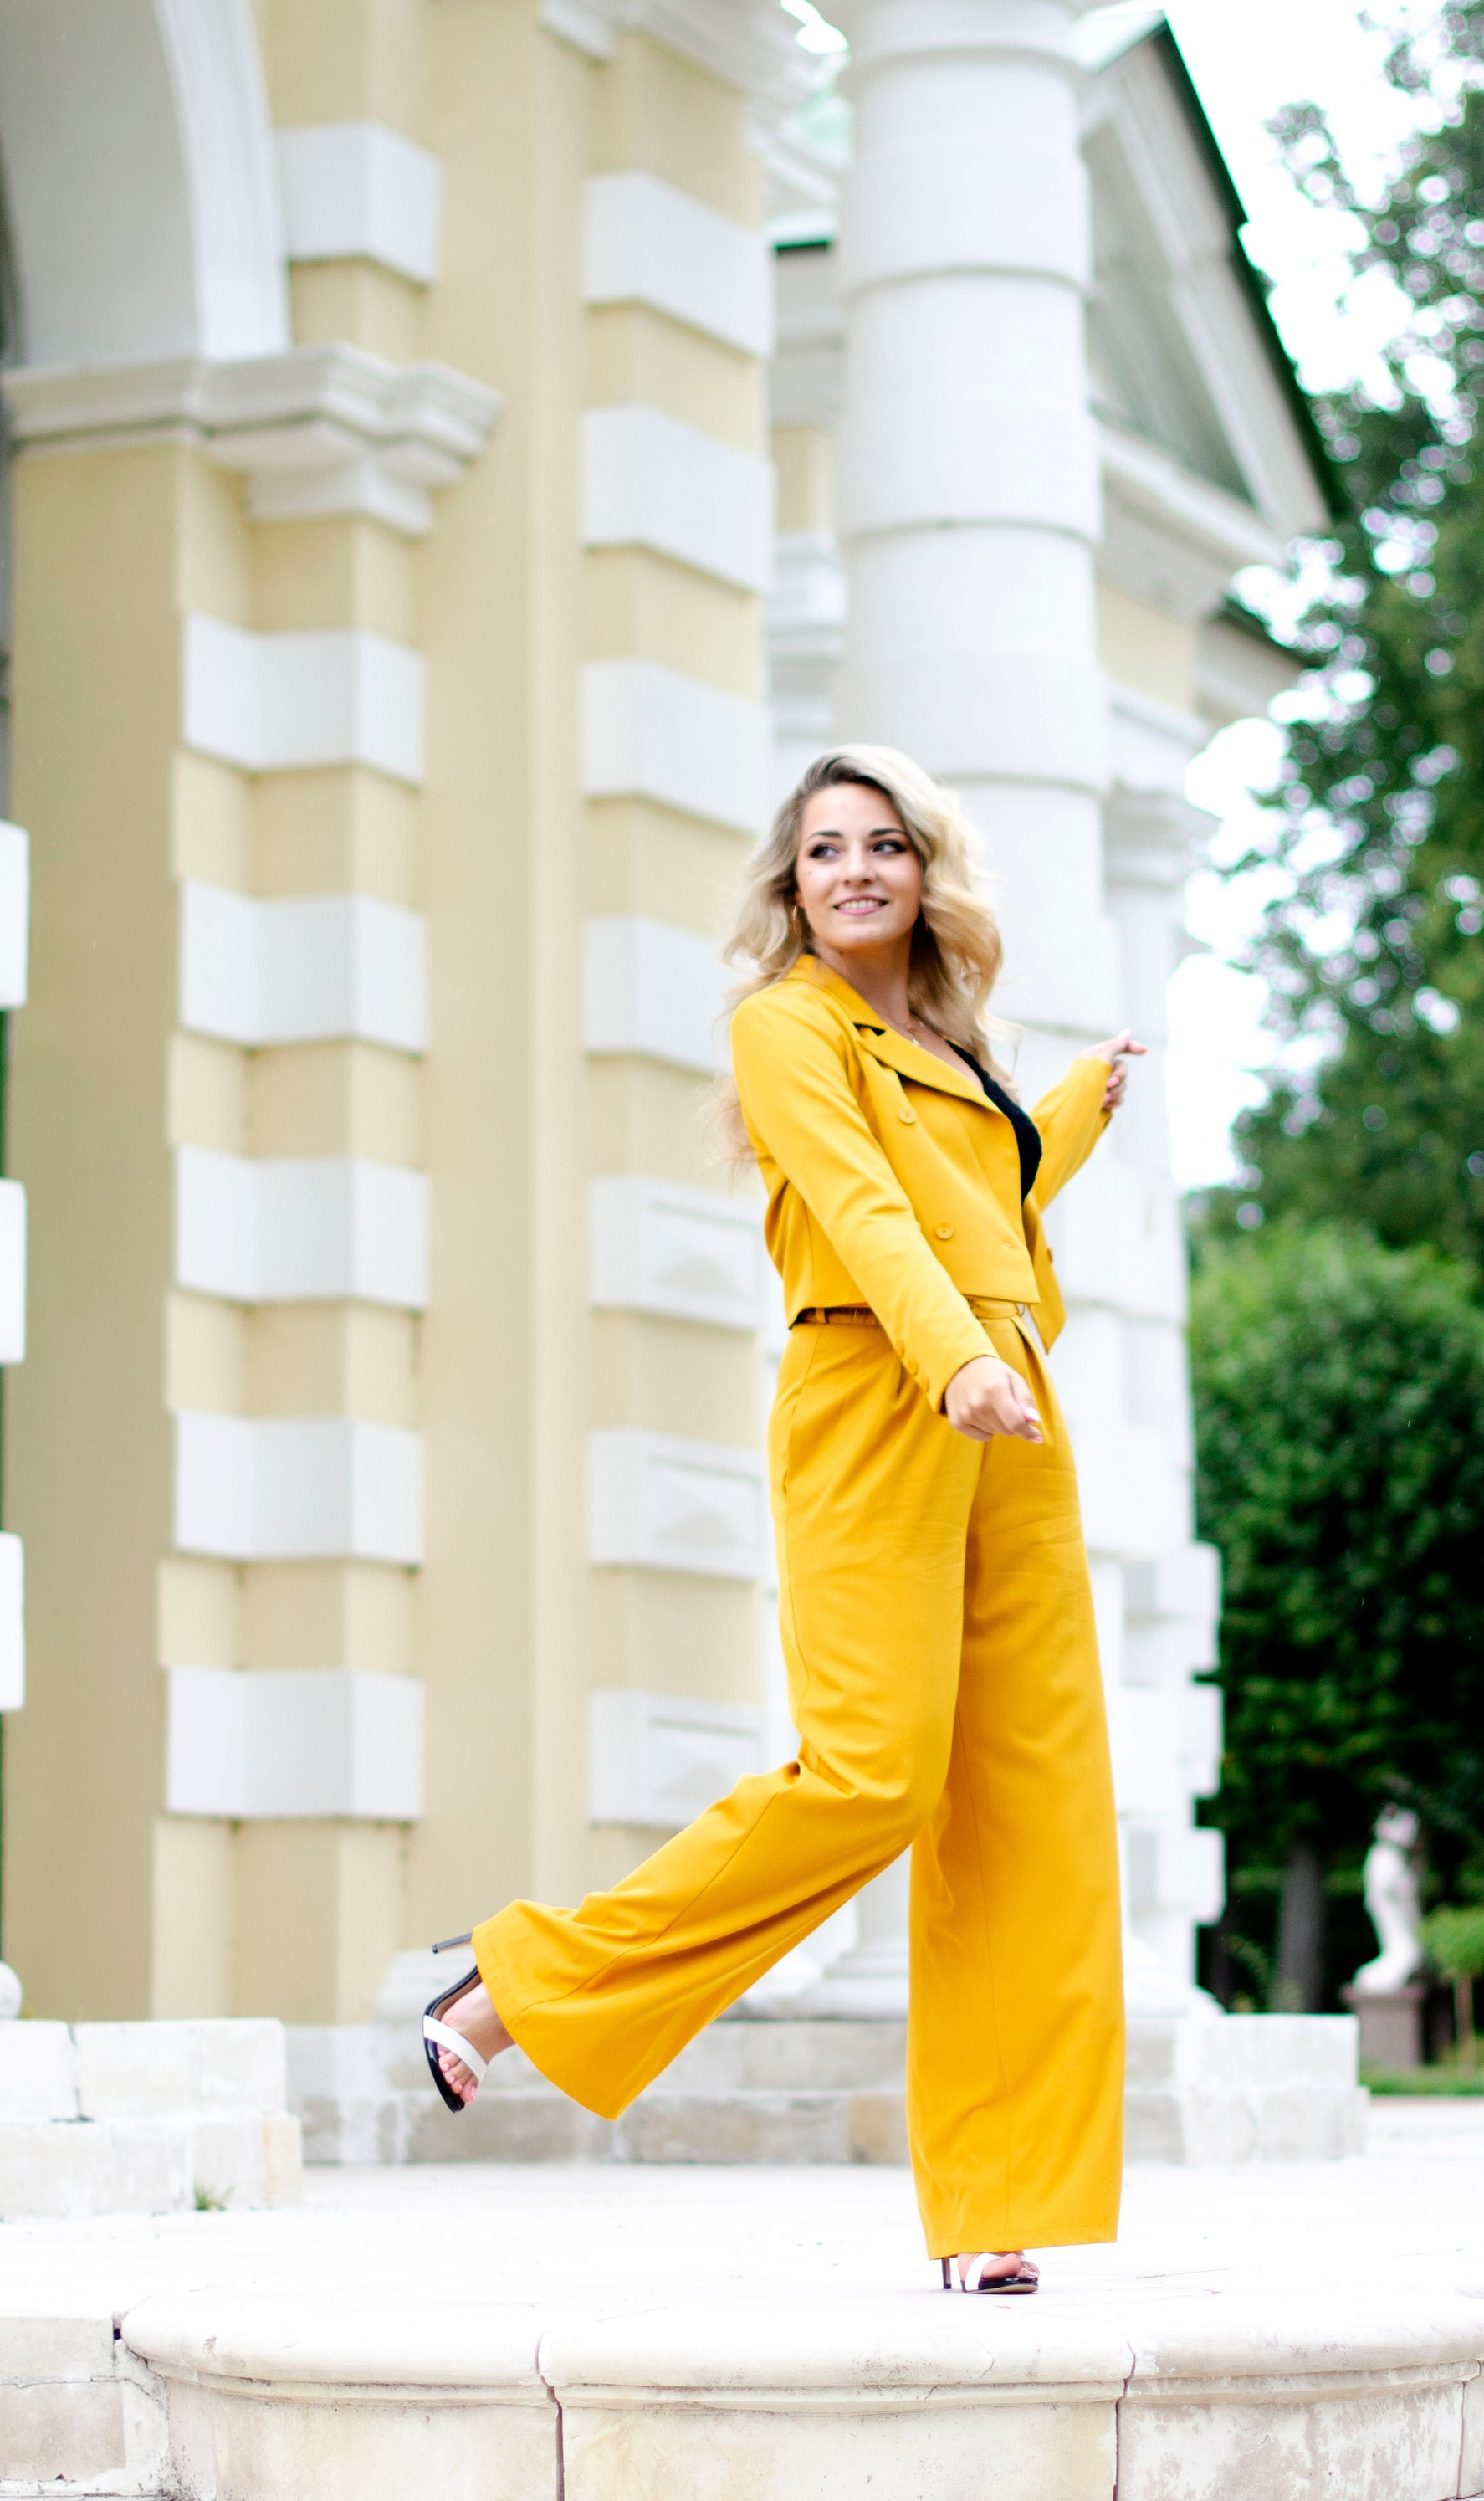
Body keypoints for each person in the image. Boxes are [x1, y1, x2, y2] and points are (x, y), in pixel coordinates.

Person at [422, 744, 1142, 2292]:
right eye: (827, 850)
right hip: (886, 1387)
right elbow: (868, 1209)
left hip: (1011, 1403)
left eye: (887, 843)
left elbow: (981, 1211)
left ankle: (994, 2204)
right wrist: (953, 1364)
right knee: (872, 1773)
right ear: (792, 885)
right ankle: (519, 1981)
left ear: (927, 871)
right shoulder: (782, 1028)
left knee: (1026, 1808)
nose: (859, 869)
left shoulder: (945, 1044)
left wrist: (1069, 1112)